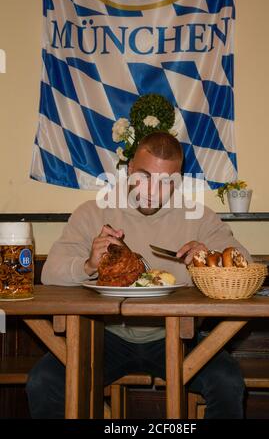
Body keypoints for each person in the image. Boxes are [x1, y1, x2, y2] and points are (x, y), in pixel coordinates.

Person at [26, 132, 251, 419]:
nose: (151, 191)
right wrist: (89, 265)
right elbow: (50, 273)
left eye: (165, 182)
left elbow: (247, 265)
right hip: (104, 338)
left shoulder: (200, 217)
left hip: (182, 339)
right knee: (44, 382)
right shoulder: (92, 212)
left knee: (228, 382)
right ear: (129, 169)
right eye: (144, 177)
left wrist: (208, 258)